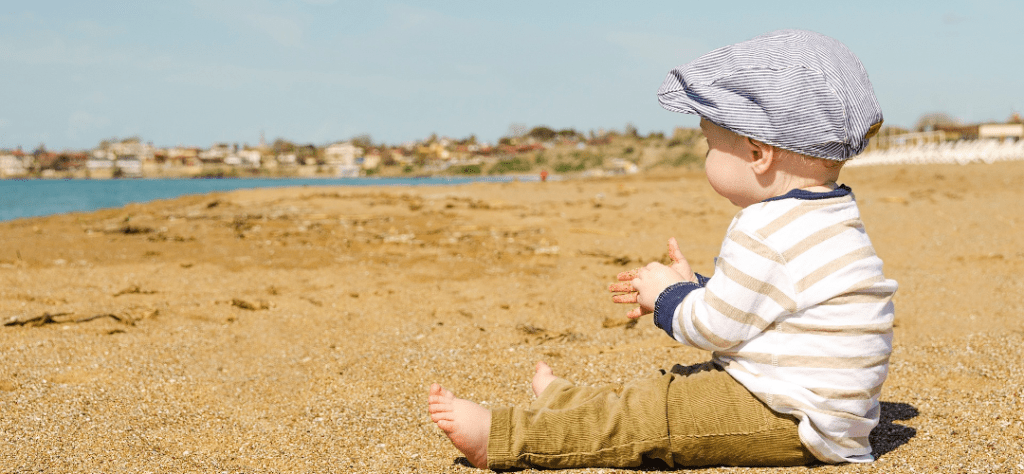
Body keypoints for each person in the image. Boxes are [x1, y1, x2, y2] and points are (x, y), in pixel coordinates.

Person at [428, 29, 897, 469]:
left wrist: (667, 299)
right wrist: (696, 287)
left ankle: (507, 438)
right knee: (671, 388)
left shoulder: (764, 227)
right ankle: (567, 403)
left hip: (791, 417)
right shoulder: (831, 214)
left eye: (712, 144)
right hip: (824, 411)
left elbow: (715, 329)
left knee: (656, 415)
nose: (706, 155)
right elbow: (767, 305)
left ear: (758, 153)